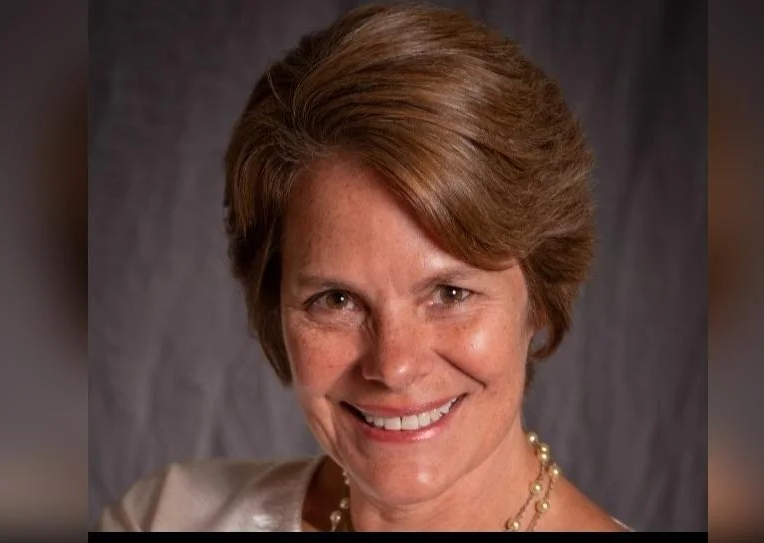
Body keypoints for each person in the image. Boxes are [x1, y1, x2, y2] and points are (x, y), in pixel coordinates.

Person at [96, 2, 631, 532]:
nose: (393, 366)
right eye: (336, 300)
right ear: (274, 307)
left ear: (539, 298)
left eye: (450, 293)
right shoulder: (162, 520)